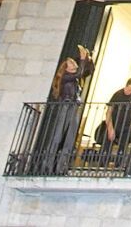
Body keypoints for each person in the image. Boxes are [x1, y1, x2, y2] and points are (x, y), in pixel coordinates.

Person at [36, 44, 93, 173]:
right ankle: (48, 165)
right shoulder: (66, 77)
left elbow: (86, 71)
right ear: (66, 68)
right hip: (65, 106)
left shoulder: (75, 78)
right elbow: (79, 73)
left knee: (70, 137)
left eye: (73, 62)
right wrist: (82, 58)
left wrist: (88, 58)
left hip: (73, 106)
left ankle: (61, 166)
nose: (73, 63)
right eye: (71, 63)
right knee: (58, 135)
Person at [97, 75, 131, 160]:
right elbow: (108, 112)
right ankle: (103, 163)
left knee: (123, 147)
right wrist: (110, 129)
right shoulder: (118, 94)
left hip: (127, 126)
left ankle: (119, 165)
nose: (129, 92)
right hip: (114, 123)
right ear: (126, 86)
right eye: (128, 90)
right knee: (107, 145)